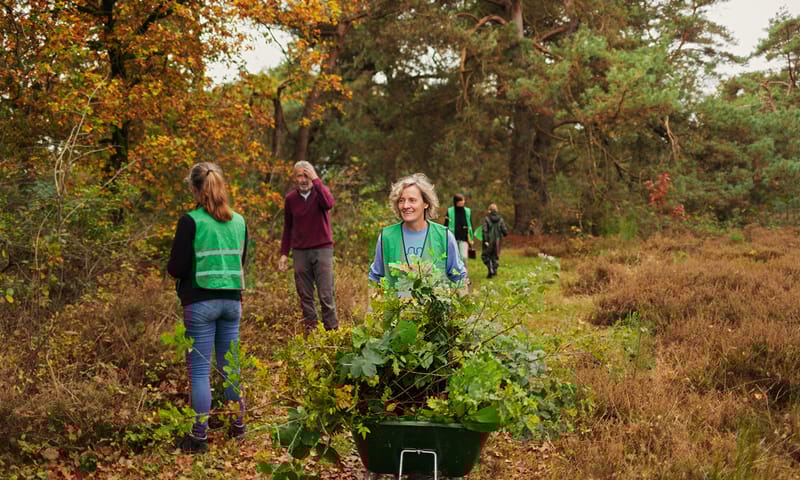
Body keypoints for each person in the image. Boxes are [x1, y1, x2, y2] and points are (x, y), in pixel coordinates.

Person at [167, 162, 248, 454]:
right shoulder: (239, 221)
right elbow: (242, 260)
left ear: (194, 188)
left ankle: (199, 437)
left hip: (200, 302)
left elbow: (176, 268)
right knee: (231, 368)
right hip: (232, 301)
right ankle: (238, 428)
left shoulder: (191, 221)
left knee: (200, 372)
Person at [369, 173, 466, 294]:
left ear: (426, 203)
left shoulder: (444, 236)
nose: (405, 206)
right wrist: (371, 311)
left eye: (412, 200)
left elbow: (459, 277)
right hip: (395, 311)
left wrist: (462, 309)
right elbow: (375, 278)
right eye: (401, 200)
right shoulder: (387, 237)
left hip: (433, 312)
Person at [278, 161, 339, 332]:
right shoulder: (290, 199)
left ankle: (332, 333)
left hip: (322, 249)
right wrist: (284, 253)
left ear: (312, 175)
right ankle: (312, 334)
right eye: (300, 175)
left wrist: (316, 180)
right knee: (305, 296)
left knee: (326, 295)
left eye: (307, 175)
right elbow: (288, 227)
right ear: (294, 178)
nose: (303, 179)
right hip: (300, 252)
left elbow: (329, 203)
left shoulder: (320, 193)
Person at [443, 193, 475, 264]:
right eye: (461, 200)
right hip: (452, 238)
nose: (463, 202)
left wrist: (471, 238)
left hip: (464, 238)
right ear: (456, 202)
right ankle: (455, 273)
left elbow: (470, 225)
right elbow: (445, 224)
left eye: (463, 200)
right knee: (454, 257)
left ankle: (464, 274)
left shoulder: (467, 211)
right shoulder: (450, 211)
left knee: (463, 257)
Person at [481, 203, 509, 278]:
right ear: (496, 210)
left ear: (489, 210)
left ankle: (490, 269)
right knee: (495, 256)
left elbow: (484, 230)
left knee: (485, 256)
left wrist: (485, 240)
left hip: (488, 241)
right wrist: (504, 233)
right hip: (497, 241)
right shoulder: (501, 219)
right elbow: (505, 231)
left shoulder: (486, 219)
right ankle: (494, 271)